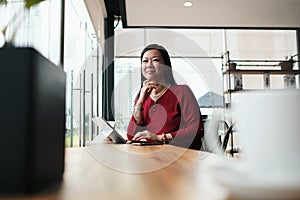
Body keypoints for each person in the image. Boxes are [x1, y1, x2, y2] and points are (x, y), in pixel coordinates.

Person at [127, 44, 204, 150]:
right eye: (145, 61)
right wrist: (140, 102)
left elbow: (196, 129)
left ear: (166, 67)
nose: (149, 65)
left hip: (181, 157)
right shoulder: (142, 97)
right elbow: (131, 136)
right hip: (152, 157)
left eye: (155, 60)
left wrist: (159, 138)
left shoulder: (182, 92)